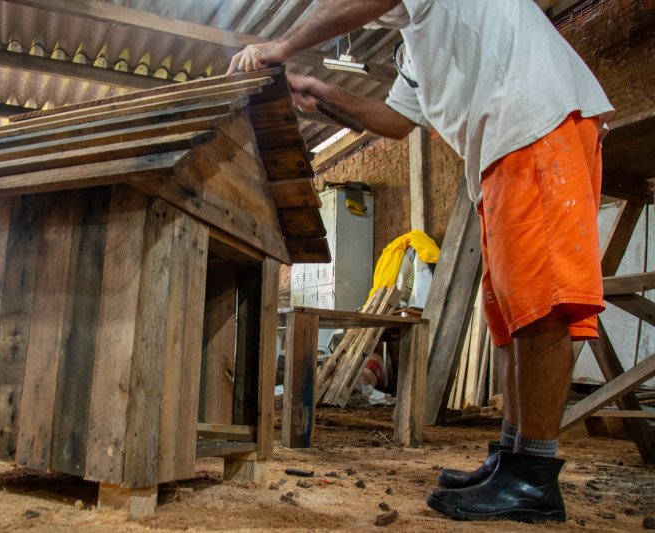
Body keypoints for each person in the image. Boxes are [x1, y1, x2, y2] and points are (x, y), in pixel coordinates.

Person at [228, 0, 613, 523]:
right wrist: (320, 93)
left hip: (535, 122)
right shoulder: (416, 41)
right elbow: (395, 121)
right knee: (510, 316)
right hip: (501, 151)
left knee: (543, 305)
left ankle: (534, 478)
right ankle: (511, 459)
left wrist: (280, 47)